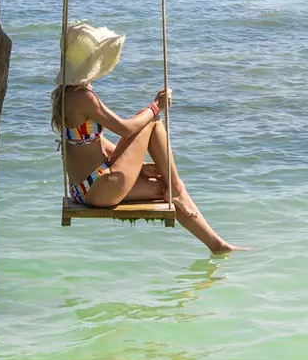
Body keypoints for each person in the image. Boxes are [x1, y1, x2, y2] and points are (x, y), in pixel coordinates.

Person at [51, 22, 238, 254]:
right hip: (99, 187)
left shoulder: (67, 96)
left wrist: (139, 169)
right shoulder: (83, 96)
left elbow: (92, 143)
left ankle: (217, 245)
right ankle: (178, 188)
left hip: (85, 189)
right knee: (151, 122)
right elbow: (126, 129)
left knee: (162, 186)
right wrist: (155, 106)